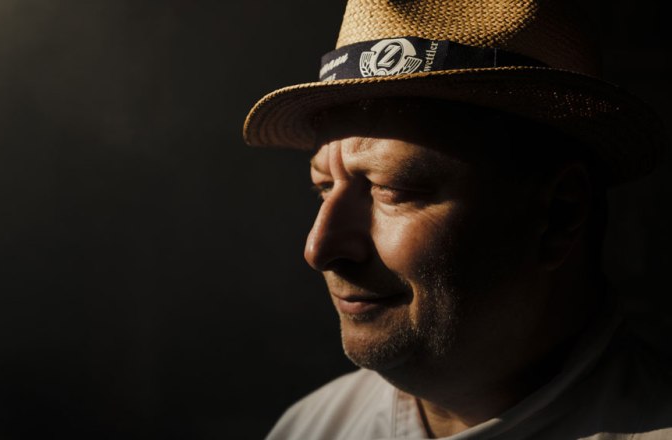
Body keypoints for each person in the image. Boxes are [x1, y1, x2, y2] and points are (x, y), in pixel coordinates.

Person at [243, 0, 672, 439]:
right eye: (324, 187)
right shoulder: (309, 428)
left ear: (560, 213)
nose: (320, 248)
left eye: (393, 190)